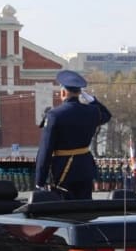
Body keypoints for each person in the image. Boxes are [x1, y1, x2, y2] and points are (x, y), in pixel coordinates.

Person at [35, 70, 111, 200]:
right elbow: (107, 115)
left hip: (63, 169)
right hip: (85, 168)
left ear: (63, 92)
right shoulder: (92, 111)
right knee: (85, 208)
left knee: (63, 210)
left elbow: (45, 151)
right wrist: (93, 100)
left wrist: (39, 181)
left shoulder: (54, 115)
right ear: (80, 92)